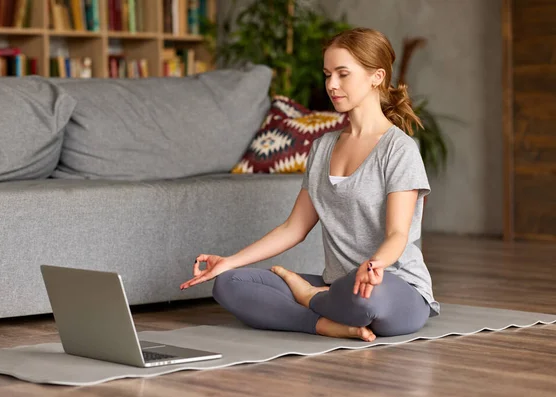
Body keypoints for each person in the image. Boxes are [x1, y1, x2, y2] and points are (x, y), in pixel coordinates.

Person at [179, 27, 440, 342]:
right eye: (328, 74)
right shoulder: (322, 147)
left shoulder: (399, 149)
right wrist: (229, 261)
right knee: (229, 284)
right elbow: (294, 228)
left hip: (393, 287)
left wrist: (374, 265)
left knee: (363, 297)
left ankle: (310, 299)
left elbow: (398, 234)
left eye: (343, 74)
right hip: (336, 285)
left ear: (376, 76)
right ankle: (327, 323)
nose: (332, 84)